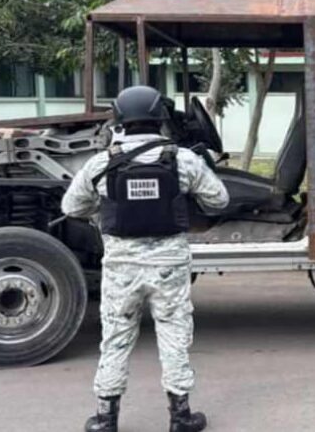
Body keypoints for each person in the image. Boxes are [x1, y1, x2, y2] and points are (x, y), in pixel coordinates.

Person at [62, 85, 229, 432]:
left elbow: (70, 207)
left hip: (121, 265)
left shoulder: (102, 162)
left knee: (116, 338)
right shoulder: (183, 159)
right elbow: (219, 200)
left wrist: (103, 207)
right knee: (174, 334)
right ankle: (181, 417)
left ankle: (106, 419)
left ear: (120, 119)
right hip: (169, 264)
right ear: (160, 118)